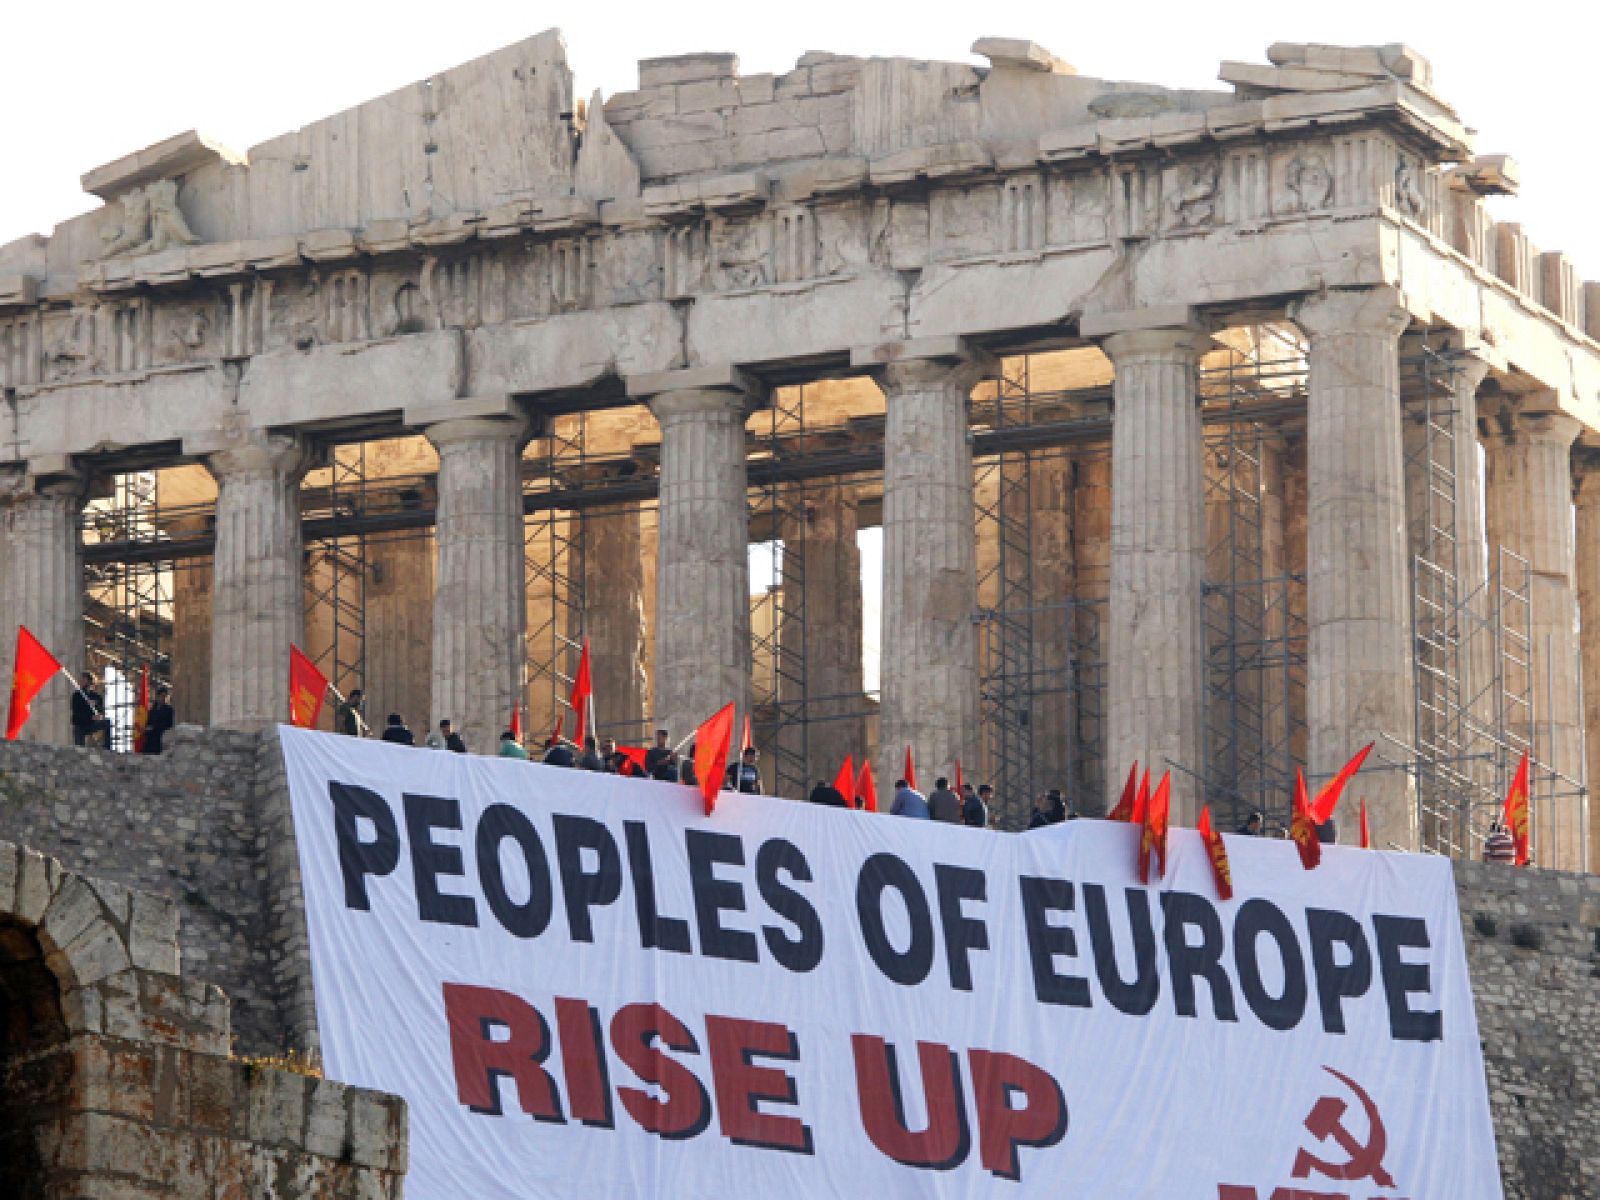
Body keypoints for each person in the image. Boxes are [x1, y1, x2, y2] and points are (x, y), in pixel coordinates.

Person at [70, 672, 111, 747]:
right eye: (81, 679)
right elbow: (76, 712)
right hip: (80, 725)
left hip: (91, 724)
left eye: (84, 679)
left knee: (107, 723)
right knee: (80, 748)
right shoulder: (77, 695)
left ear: (89, 681)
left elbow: (100, 711)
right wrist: (89, 716)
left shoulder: (96, 697)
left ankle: (107, 748)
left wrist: (98, 715)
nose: (81, 681)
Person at [140, 685, 175, 756]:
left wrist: (154, 727)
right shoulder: (152, 710)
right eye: (162, 696)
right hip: (151, 740)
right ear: (158, 697)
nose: (163, 699)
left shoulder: (169, 710)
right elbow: (148, 723)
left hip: (161, 739)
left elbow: (169, 725)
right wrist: (146, 729)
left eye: (165, 697)